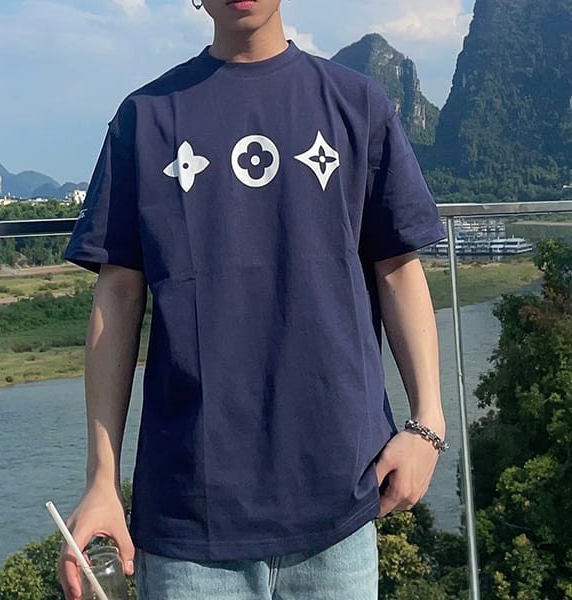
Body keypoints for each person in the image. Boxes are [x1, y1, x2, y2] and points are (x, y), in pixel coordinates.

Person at [58, 0, 449, 598]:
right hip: (190, 518)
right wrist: (101, 481)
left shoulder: (356, 103)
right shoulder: (146, 118)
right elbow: (118, 294)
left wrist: (428, 425)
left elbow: (398, 268)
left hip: (337, 502)